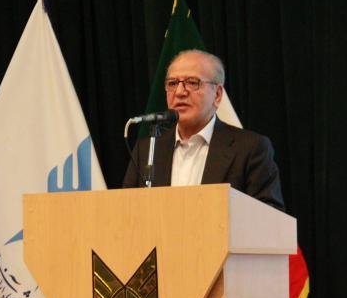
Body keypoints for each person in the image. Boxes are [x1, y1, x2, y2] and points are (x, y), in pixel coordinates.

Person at [122, 50, 284, 211]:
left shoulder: (250, 148)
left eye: (192, 82)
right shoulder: (147, 150)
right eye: (172, 83)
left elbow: (270, 216)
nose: (179, 92)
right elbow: (126, 212)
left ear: (217, 95)